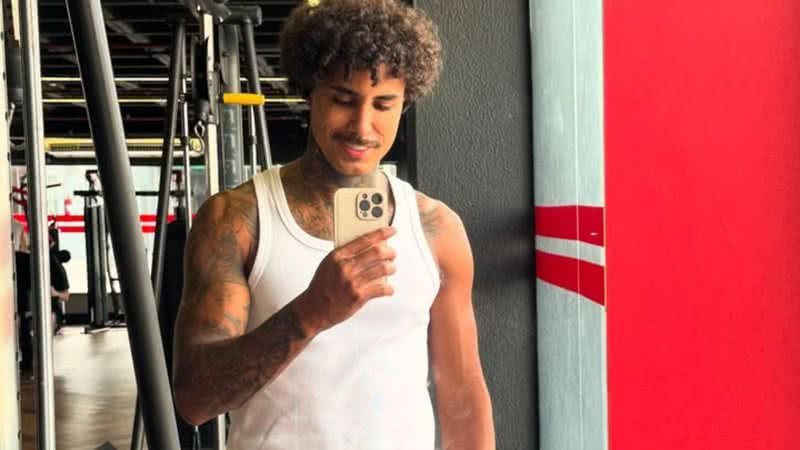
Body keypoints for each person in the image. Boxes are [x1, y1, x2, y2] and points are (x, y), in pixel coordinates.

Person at [172, 1, 495, 448]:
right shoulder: (237, 219)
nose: (362, 126)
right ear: (310, 92)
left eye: (383, 104)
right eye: (343, 100)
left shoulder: (437, 230)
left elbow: (461, 395)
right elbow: (195, 400)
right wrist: (313, 311)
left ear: (404, 103)